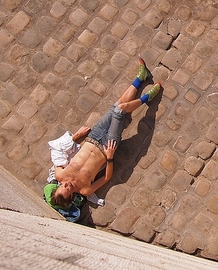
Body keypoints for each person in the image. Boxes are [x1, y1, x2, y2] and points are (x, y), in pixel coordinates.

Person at [45, 58, 161, 210]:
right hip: (107, 145)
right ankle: (147, 98)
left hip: (93, 137)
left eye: (62, 186)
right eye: (67, 188)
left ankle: (141, 78)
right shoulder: (85, 189)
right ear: (71, 195)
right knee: (120, 111)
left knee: (117, 105)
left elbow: (59, 150)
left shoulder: (59, 174)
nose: (65, 184)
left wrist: (76, 137)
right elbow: (107, 177)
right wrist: (110, 157)